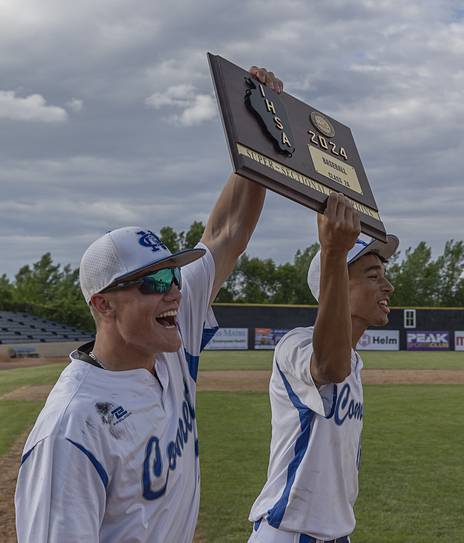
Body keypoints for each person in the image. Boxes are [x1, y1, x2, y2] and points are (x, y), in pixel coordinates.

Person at [14, 66, 283, 543]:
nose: (174, 291)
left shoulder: (168, 345)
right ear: (104, 305)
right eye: (154, 281)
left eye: (174, 275)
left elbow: (226, 234)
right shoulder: (71, 429)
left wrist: (258, 131)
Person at [248, 193, 398, 543]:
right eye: (373, 276)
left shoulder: (355, 362)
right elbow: (329, 366)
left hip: (334, 535)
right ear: (338, 285)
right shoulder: (296, 346)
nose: (388, 286)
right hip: (289, 532)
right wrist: (333, 252)